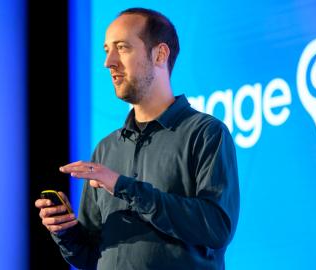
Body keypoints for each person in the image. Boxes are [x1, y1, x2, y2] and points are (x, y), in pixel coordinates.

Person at [35, 7, 240, 270]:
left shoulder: (205, 133)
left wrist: (123, 186)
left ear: (160, 54)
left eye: (122, 48)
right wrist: (65, 232)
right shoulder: (106, 149)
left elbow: (216, 227)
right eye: (107, 49)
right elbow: (91, 258)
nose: (108, 62)